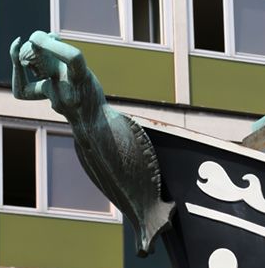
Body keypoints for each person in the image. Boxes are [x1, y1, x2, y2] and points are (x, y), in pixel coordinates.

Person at [10, 31, 173, 253]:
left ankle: (155, 218)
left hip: (107, 131)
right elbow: (21, 92)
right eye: (30, 69)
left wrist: (45, 41)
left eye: (34, 65)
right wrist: (15, 64)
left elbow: (76, 56)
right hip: (85, 145)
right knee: (115, 189)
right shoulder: (50, 86)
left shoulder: (74, 74)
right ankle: (142, 229)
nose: (34, 73)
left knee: (130, 182)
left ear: (46, 54)